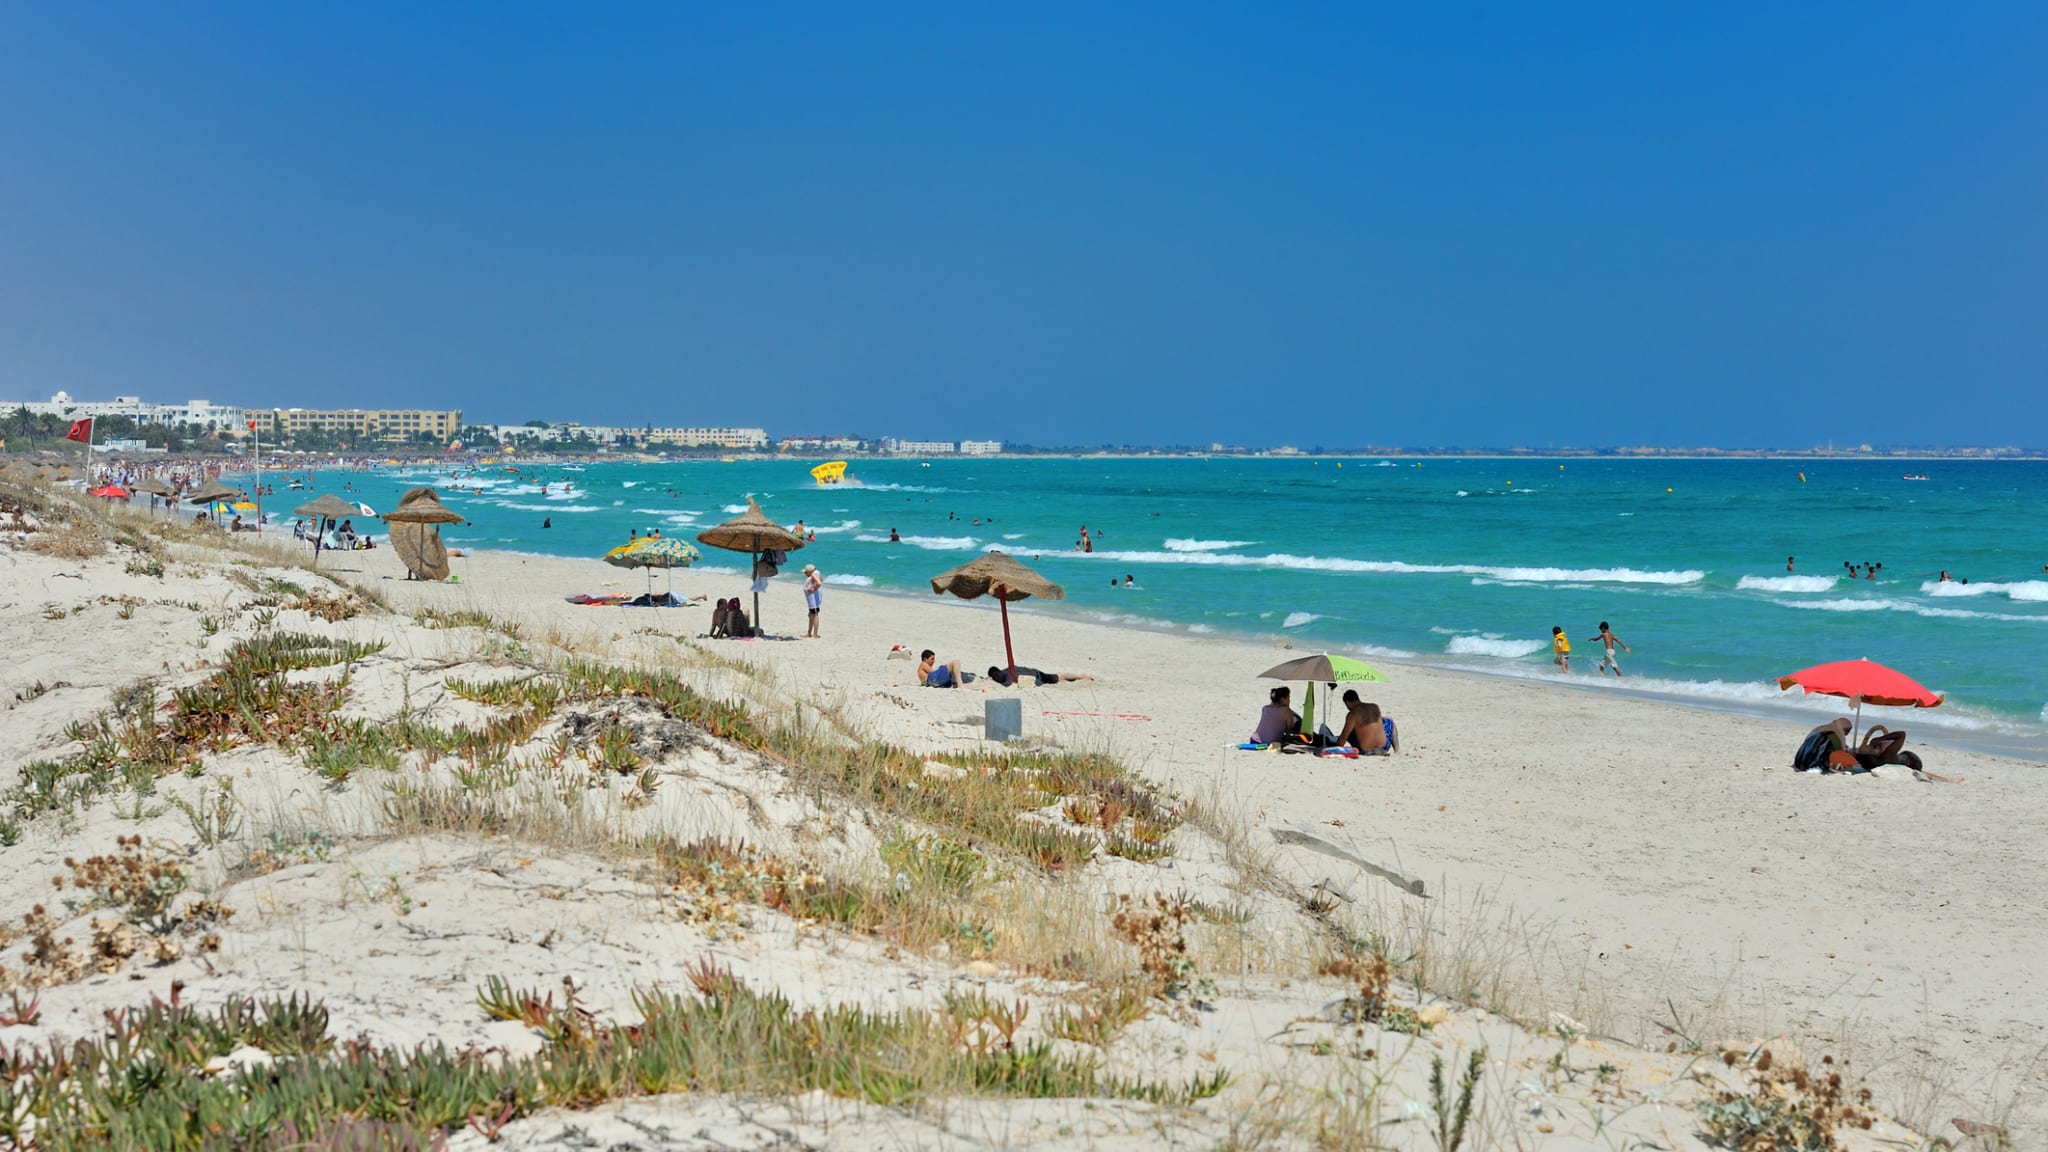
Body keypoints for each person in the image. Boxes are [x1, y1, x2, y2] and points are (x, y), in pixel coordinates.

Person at [1336, 689, 1396, 754]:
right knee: (1389, 720)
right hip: (1384, 748)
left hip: (1367, 751)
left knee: (1350, 731)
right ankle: (1397, 750)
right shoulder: (1374, 707)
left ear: (1348, 703)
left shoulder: (1352, 714)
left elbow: (1342, 741)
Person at [986, 665, 1098, 687]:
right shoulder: (1004, 681)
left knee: (1060, 677)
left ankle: (1081, 676)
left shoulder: (1009, 671)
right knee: (1059, 677)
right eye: (995, 678)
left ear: (1000, 671)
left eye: (997, 674)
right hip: (1035, 676)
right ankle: (1079, 676)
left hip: (1037, 675)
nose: (997, 678)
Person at [802, 563, 823, 638]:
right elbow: (821, 580)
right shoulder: (817, 573)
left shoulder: (813, 575)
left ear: (809, 572)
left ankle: (815, 634)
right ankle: (809, 633)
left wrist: (814, 589)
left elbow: (819, 583)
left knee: (814, 615)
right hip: (814, 600)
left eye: (805, 572)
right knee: (811, 615)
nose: (805, 573)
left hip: (813, 600)